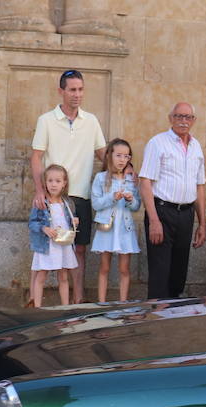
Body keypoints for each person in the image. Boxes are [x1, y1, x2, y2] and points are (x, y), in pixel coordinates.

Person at [31, 70, 106, 303]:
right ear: (61, 91)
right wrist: (39, 190)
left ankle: (77, 299)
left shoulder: (91, 121)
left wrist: (126, 169)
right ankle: (35, 300)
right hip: (53, 197)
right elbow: (36, 157)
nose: (77, 94)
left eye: (81, 89)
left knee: (79, 249)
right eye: (72, 89)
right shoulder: (46, 120)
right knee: (43, 247)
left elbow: (103, 154)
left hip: (80, 195)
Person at [139, 102, 206, 299]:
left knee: (179, 272)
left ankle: (173, 316)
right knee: (160, 272)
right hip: (162, 213)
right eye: (179, 116)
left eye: (188, 117)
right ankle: (156, 316)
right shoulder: (157, 143)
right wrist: (153, 220)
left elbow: (199, 186)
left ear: (194, 121)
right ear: (170, 118)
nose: (183, 121)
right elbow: (145, 183)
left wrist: (202, 223)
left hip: (186, 214)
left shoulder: (196, 147)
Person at [90, 138, 142, 302]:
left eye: (126, 156)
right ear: (109, 155)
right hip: (107, 227)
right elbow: (96, 204)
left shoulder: (130, 179)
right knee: (104, 267)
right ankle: (102, 302)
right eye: (119, 155)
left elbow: (136, 206)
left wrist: (129, 200)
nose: (122, 160)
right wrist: (112, 197)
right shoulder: (100, 178)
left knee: (124, 268)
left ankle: (122, 302)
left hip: (125, 228)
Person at [29, 164, 78, 307]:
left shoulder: (67, 203)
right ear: (45, 182)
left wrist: (74, 221)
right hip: (47, 245)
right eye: (50, 181)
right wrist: (44, 228)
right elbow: (32, 223)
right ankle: (37, 307)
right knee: (42, 275)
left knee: (63, 275)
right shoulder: (41, 202)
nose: (53, 184)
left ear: (64, 183)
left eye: (57, 181)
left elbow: (68, 221)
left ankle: (65, 307)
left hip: (63, 244)